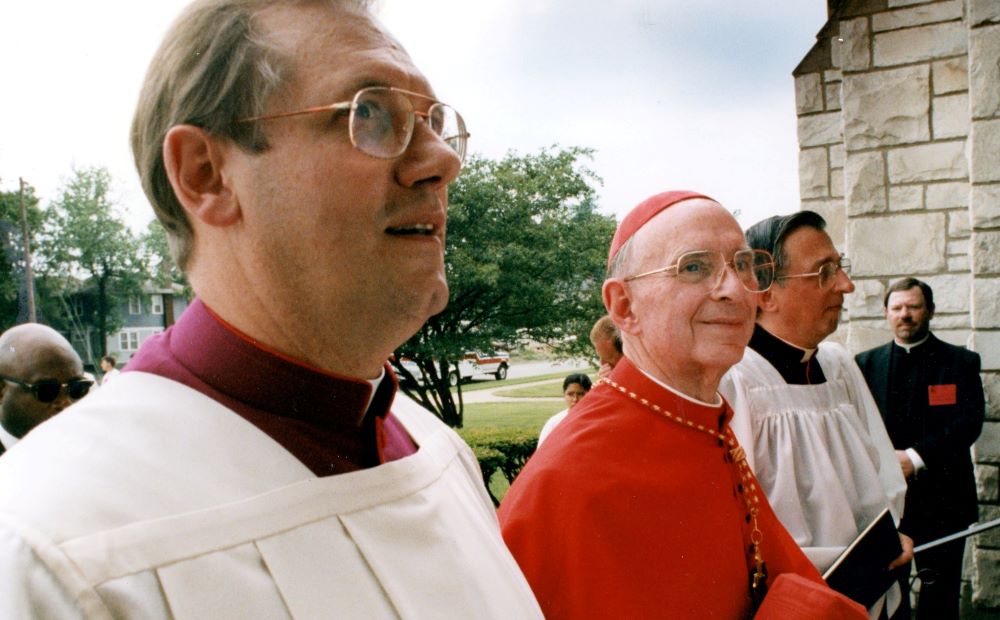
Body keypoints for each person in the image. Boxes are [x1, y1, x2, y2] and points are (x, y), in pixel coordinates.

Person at [0, 1, 542, 617]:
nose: (442, 161)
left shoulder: (440, 454)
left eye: (434, 123)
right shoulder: (47, 546)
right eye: (369, 113)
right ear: (207, 175)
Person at [499, 191, 867, 619]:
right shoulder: (567, 478)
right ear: (624, 305)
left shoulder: (703, 419)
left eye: (743, 265)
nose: (734, 290)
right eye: (694, 267)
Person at [720, 211, 911, 616]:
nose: (846, 285)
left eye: (840, 267)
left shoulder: (839, 365)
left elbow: (883, 474)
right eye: (824, 272)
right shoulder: (735, 382)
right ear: (764, 292)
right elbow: (740, 530)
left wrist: (892, 535)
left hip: (877, 592)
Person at [856, 278, 985, 620]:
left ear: (930, 311)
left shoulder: (961, 362)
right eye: (897, 308)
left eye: (913, 307)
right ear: (886, 314)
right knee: (888, 596)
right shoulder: (863, 366)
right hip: (886, 506)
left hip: (945, 502)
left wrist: (915, 458)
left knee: (940, 600)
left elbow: (969, 422)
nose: (905, 315)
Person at [0, 324, 92, 456]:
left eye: (77, 388)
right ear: (1, 390)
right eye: (47, 391)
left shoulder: (92, 455)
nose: (66, 404)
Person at [537, 372, 591, 446]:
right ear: (564, 394)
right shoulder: (554, 422)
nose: (575, 399)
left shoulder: (595, 420)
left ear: (590, 394)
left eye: (580, 394)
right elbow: (541, 451)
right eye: (570, 394)